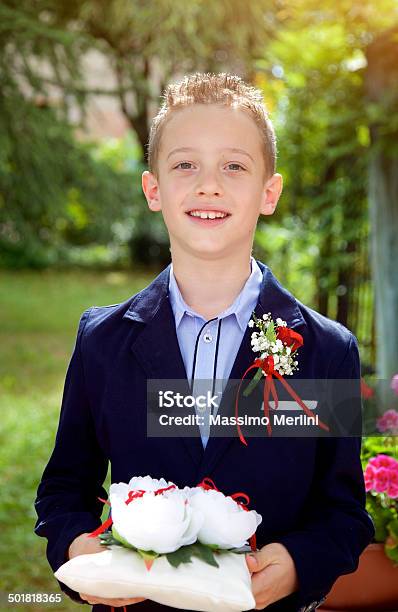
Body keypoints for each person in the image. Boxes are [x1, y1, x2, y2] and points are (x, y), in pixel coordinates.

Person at [34, 72, 374, 612]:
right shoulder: (103, 342)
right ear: (154, 189)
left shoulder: (325, 351)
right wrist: (81, 556)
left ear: (269, 192)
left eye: (234, 166)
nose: (208, 185)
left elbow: (343, 513)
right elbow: (62, 491)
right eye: (185, 164)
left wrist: (295, 566)